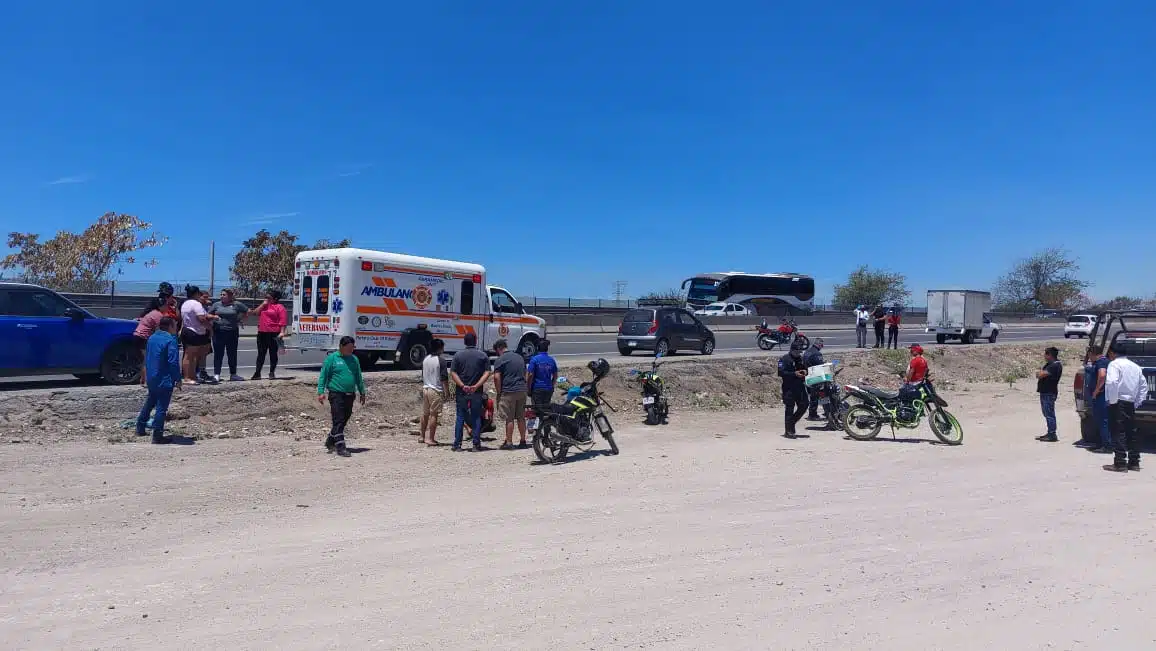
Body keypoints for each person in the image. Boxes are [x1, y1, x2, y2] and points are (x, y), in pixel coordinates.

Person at [317, 336, 367, 458]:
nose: (351, 350)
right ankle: (341, 446)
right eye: (349, 348)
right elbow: (323, 376)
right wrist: (320, 392)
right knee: (338, 419)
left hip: (350, 394)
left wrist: (362, 391)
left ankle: (331, 439)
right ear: (341, 347)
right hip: (336, 394)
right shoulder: (332, 359)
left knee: (345, 418)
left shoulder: (354, 359)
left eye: (353, 348)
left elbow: (358, 376)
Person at [136, 317, 182, 444]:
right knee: (162, 407)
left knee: (150, 402)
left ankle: (140, 426)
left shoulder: (152, 338)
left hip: (152, 377)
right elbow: (173, 362)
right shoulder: (170, 340)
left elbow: (147, 358)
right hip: (164, 378)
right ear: (170, 326)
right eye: (175, 325)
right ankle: (157, 434)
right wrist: (177, 379)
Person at [1102, 342, 1147, 473]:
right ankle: (1134, 462)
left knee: (1118, 431)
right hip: (1130, 402)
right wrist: (1137, 402)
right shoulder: (1136, 366)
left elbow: (1112, 382)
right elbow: (1143, 386)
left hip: (1118, 402)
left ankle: (1120, 463)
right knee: (1131, 432)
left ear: (1112, 353)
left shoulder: (1114, 364)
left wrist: (1113, 400)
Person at [450, 332, 492, 452]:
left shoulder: (457, 356)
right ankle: (476, 444)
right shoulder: (483, 355)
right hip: (477, 392)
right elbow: (487, 372)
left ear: (464, 342)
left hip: (461, 392)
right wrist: (476, 385)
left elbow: (453, 373)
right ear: (476, 341)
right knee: (476, 417)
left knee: (460, 416)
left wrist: (462, 385)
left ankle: (457, 444)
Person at [492, 339, 529, 450]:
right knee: (521, 417)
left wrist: (499, 392)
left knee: (510, 418)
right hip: (522, 390)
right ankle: (523, 441)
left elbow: (496, 377)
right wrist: (524, 384)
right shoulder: (519, 357)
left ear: (499, 349)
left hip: (509, 391)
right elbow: (526, 373)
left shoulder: (500, 359)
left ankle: (509, 442)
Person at [179, 285, 219, 385]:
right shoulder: (196, 304)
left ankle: (192, 376)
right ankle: (187, 377)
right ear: (196, 294)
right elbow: (201, 319)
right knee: (189, 356)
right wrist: (210, 328)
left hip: (188, 330)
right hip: (193, 331)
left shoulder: (185, 303)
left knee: (193, 356)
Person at [210, 289, 249, 382]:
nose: (221, 296)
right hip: (218, 332)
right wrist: (213, 318)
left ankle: (233, 374)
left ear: (230, 296)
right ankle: (217, 374)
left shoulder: (236, 304)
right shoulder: (216, 305)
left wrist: (240, 319)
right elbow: (208, 314)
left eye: (224, 295)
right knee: (218, 354)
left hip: (232, 332)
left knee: (232, 354)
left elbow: (247, 311)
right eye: (221, 294)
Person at [1080, 346, 1112, 451]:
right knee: (1099, 420)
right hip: (1100, 396)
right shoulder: (1098, 363)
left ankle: (1106, 446)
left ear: (1093, 354)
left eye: (1089, 355)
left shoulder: (1101, 362)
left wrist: (1096, 391)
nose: (1089, 357)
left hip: (1101, 396)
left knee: (1103, 421)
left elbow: (1102, 376)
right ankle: (1101, 443)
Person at [420, 339, 450, 446]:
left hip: (425, 388)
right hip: (435, 389)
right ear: (439, 348)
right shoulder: (441, 360)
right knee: (434, 414)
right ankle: (431, 438)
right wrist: (447, 392)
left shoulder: (426, 359)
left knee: (425, 414)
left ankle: (422, 436)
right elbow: (444, 378)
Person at [252, 290, 288, 380]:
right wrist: (262, 305)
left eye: (269, 297)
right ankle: (257, 373)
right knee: (261, 353)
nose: (266, 299)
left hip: (274, 333)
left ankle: (272, 372)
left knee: (273, 353)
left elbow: (282, 321)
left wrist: (282, 332)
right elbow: (255, 313)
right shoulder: (264, 306)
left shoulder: (280, 307)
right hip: (262, 332)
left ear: (275, 298)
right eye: (266, 297)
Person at [778, 342, 809, 438]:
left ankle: (791, 423)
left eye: (800, 352)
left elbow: (806, 368)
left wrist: (805, 371)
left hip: (800, 386)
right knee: (789, 409)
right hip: (789, 388)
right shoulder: (784, 359)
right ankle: (788, 431)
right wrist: (794, 374)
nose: (799, 353)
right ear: (792, 350)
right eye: (797, 351)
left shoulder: (800, 358)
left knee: (804, 404)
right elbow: (781, 372)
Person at [134, 298, 166, 385]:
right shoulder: (158, 315)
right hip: (144, 337)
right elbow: (160, 330)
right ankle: (148, 381)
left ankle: (143, 380)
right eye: (165, 305)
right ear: (161, 306)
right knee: (149, 360)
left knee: (146, 359)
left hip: (138, 336)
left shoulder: (152, 313)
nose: (167, 307)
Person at [1034, 347, 1063, 442]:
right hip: (1045, 392)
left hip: (1049, 393)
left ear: (1050, 355)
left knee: (1049, 413)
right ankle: (1050, 432)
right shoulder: (1050, 365)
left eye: (1046, 354)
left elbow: (1041, 375)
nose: (1044, 356)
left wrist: (1040, 373)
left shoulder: (1055, 365)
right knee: (1046, 413)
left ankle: (1052, 434)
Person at [526, 339, 559, 407]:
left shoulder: (534, 359)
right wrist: (551, 385)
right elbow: (555, 375)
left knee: (537, 410)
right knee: (545, 410)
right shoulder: (551, 360)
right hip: (548, 389)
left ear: (538, 348)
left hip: (537, 389)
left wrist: (528, 388)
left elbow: (530, 375)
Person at [802, 338, 826, 421]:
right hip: (814, 376)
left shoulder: (807, 351)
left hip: (807, 375)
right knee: (815, 396)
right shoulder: (817, 354)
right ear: (819, 345)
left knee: (812, 396)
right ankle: (813, 414)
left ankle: (813, 413)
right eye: (822, 345)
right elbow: (820, 366)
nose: (822, 347)